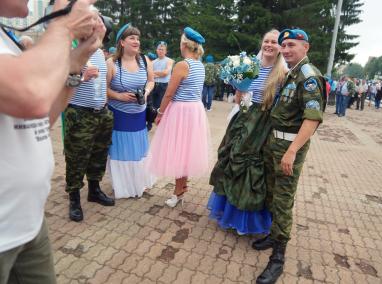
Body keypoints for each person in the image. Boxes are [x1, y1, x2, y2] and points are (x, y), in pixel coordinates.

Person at [0, 0, 103, 282]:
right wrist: (65, 24)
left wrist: (78, 60)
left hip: (28, 221)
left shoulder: (6, 41)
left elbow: (41, 119)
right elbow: (30, 95)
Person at [252, 28, 325, 284]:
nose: (286, 49)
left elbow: (312, 118)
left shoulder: (309, 77)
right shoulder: (291, 74)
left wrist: (292, 151)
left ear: (306, 47)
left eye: (292, 44)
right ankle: (273, 235)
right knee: (272, 193)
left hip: (289, 149)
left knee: (283, 200)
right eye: (284, 45)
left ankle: (278, 258)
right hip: (275, 144)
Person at [208, 29, 286, 235]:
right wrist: (239, 87)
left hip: (263, 124)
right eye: (266, 41)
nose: (269, 45)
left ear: (280, 48)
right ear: (262, 44)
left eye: (274, 42)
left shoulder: (282, 74)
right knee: (232, 159)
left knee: (253, 167)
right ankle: (230, 213)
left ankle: (248, 220)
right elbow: (239, 99)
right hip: (244, 117)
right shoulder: (249, 66)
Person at [147, 27, 209, 207]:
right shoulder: (200, 64)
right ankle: (180, 189)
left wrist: (160, 113)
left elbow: (169, 93)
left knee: (179, 151)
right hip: (195, 110)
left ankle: (178, 192)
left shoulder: (183, 65)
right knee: (186, 152)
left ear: (184, 44)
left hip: (181, 111)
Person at [64, 10, 115, 223]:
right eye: (94, 23)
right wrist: (82, 78)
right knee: (76, 158)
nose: (98, 27)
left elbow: (103, 81)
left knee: (98, 155)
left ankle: (94, 190)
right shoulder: (73, 50)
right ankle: (74, 200)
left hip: (100, 114)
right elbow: (62, 83)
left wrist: (104, 103)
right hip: (79, 114)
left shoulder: (100, 52)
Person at [106, 24, 155, 198]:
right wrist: (119, 96)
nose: (136, 41)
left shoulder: (144, 60)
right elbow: (102, 89)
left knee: (138, 149)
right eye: (132, 38)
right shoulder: (112, 63)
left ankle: (139, 183)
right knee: (122, 149)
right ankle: (123, 186)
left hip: (139, 115)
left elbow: (151, 81)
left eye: (137, 38)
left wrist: (146, 92)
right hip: (119, 115)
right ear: (122, 42)